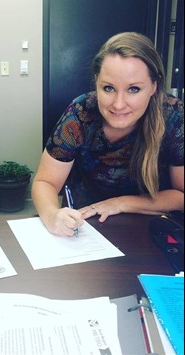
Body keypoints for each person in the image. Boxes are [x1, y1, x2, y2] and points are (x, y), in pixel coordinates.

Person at [32, 32, 184, 237]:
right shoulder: (80, 114)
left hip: (151, 228)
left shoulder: (173, 117)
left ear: (153, 86)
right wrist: (52, 215)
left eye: (134, 89)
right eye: (109, 88)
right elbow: (45, 182)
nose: (119, 104)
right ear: (96, 82)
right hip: (86, 227)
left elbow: (181, 196)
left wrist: (119, 204)